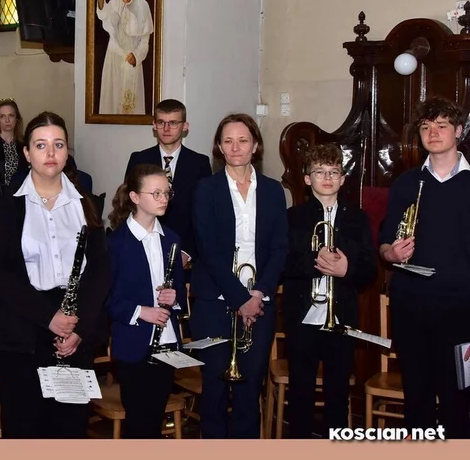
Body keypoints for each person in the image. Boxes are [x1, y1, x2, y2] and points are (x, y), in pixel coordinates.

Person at [0, 111, 110, 438]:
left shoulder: (86, 203)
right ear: (27, 153)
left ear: (67, 152)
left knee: (69, 431)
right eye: (41, 145)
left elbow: (100, 271)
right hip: (21, 331)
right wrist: (48, 316)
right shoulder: (7, 205)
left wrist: (79, 326)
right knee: (26, 431)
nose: (50, 153)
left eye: (58, 144)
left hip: (73, 331)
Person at [189, 113, 287, 439]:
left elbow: (280, 248)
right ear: (219, 146)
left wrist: (257, 293)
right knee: (214, 390)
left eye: (243, 140)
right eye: (228, 141)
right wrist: (239, 298)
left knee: (250, 389)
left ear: (255, 145)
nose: (235, 147)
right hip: (215, 301)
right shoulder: (206, 189)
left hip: (259, 302)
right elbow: (208, 249)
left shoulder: (273, 190)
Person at [379, 97, 470, 438]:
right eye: (426, 127)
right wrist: (391, 253)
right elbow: (384, 243)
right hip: (412, 305)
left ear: (458, 131)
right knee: (416, 398)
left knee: (458, 399)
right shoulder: (405, 183)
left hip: (461, 309)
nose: (433, 133)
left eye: (442, 126)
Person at [283, 144, 376, 438]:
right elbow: (281, 263)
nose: (327, 177)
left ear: (342, 179)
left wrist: (347, 270)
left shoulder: (358, 218)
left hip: (341, 319)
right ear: (307, 178)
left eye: (333, 172)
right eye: (319, 172)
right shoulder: (292, 217)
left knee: (338, 393)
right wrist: (317, 260)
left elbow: (369, 269)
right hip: (303, 318)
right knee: (300, 393)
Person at [107, 164, 186, 438]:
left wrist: (174, 297)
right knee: (138, 423)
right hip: (133, 344)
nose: (164, 199)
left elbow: (180, 291)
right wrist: (142, 311)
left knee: (154, 421)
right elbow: (106, 299)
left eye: (167, 193)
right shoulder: (116, 243)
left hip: (166, 344)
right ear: (135, 197)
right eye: (156, 193)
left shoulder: (172, 239)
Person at [126, 99, 212, 263]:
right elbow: (128, 205)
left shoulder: (199, 163)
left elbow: (204, 213)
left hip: (185, 250)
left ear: (184, 126)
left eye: (173, 123)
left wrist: (188, 251)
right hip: (144, 245)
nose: (166, 129)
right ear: (154, 125)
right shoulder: (139, 159)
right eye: (161, 123)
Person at [95, 0, 153, 115]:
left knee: (131, 106)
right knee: (111, 101)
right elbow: (105, 17)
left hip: (132, 59)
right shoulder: (113, 4)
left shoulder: (143, 5)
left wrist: (136, 56)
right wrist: (101, 2)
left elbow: (145, 40)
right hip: (113, 59)